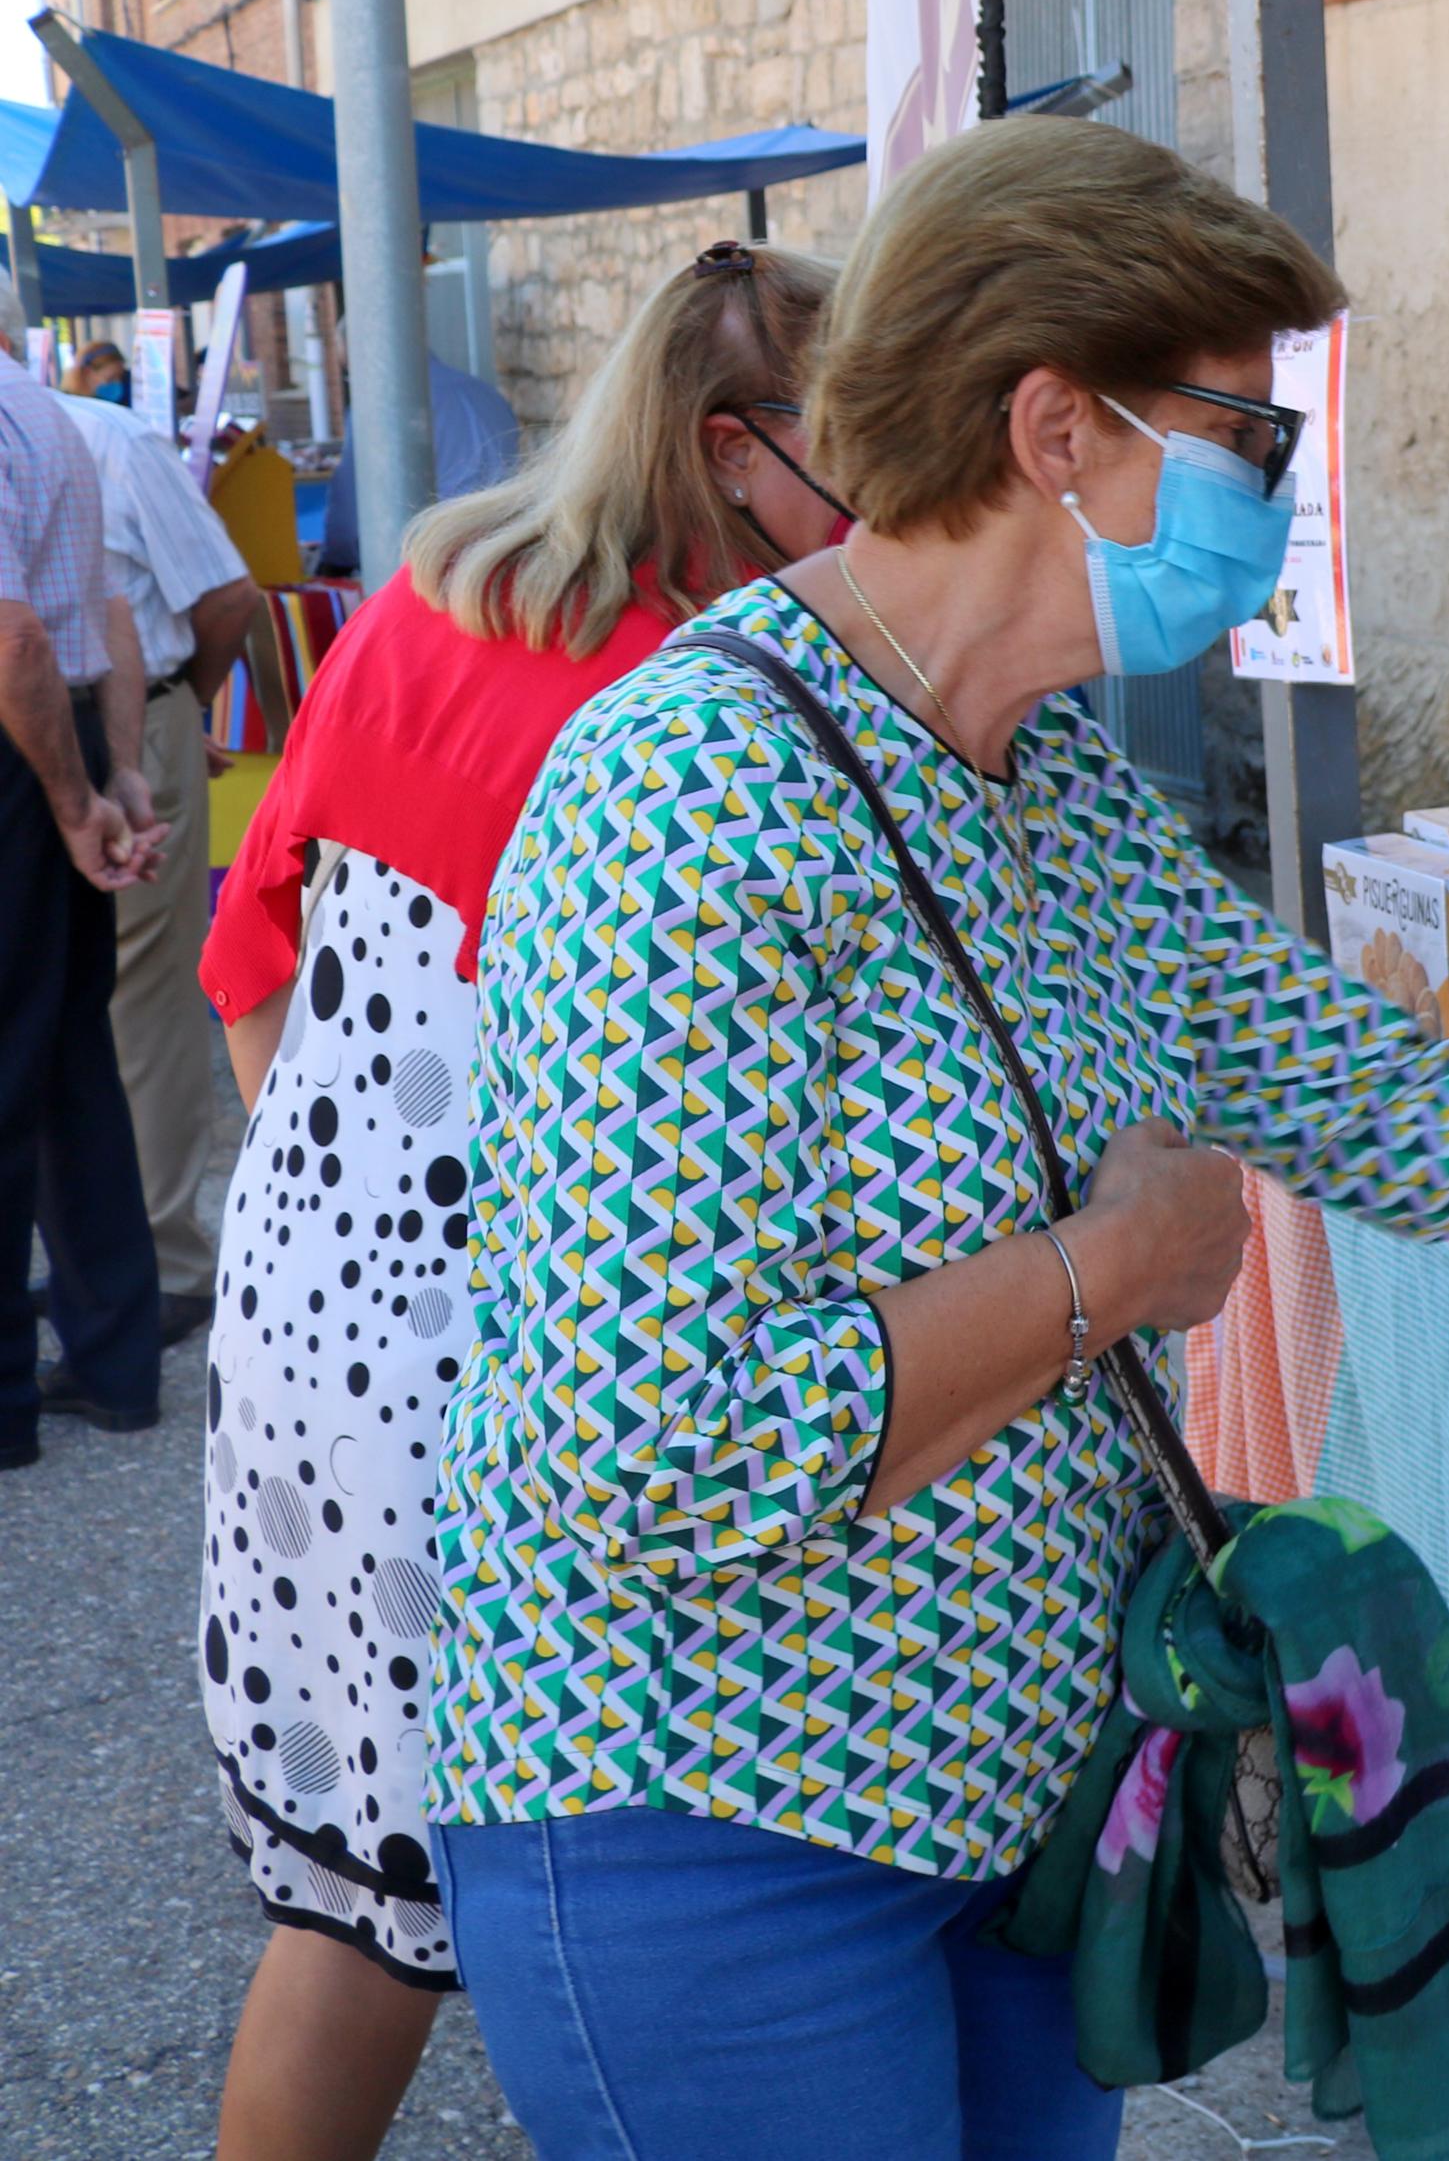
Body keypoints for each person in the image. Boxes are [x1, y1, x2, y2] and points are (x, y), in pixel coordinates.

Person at [419, 118, 1449, 2161]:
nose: (1282, 497)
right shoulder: (686, 794)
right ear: (1055, 425)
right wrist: (1102, 1277)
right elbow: (653, 1446)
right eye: (1244, 437)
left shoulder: (1040, 770)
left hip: (1012, 1812)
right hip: (710, 1828)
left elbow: (1389, 1103)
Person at [193, 243, 850, 2161]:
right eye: (858, 438)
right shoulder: (707, 701)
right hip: (494, 1372)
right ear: (737, 454)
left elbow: (253, 955)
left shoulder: (429, 589)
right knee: (537, 1917)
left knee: (350, 1905)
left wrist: (344, 1226)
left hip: (309, 1312)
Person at [58, 381, 266, 1348]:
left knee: (141, 998)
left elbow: (228, 597)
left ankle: (164, 1259)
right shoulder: (88, 437)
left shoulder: (112, 438)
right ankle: (104, 1258)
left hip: (133, 715)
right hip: (78, 717)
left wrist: (187, 705)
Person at [0, 363, 169, 1470]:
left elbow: (13, 637)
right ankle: (114, 1360)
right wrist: (112, 771)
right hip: (47, 736)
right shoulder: (38, 405)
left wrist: (76, 800)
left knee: (24, 1064)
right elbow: (98, 610)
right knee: (66, 1062)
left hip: (18, 749)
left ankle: (7, 1397)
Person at [316, 351, 521, 576]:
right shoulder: (483, 392)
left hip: (433, 560)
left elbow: (350, 496)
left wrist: (334, 563)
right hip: (501, 552)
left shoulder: (378, 405)